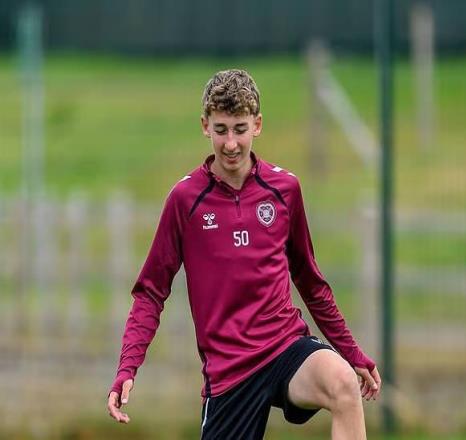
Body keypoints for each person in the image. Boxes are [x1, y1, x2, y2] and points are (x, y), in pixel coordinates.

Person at [107, 69, 381, 439]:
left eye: (240, 129)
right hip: (230, 374)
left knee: (343, 384)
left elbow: (310, 282)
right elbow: (150, 292)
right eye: (221, 130)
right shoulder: (185, 200)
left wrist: (352, 353)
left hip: (284, 347)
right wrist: (127, 367)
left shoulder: (285, 189)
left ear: (257, 125)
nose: (231, 143)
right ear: (205, 126)